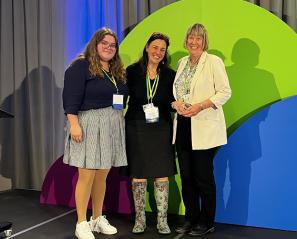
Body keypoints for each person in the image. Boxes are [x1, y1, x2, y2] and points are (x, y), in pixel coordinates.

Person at [62, 28, 128, 239]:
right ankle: (81, 222)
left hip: (111, 123)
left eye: (112, 45)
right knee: (87, 175)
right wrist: (74, 124)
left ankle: (97, 219)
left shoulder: (116, 70)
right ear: (95, 44)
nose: (109, 47)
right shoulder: (80, 66)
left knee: (102, 176)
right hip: (88, 123)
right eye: (104, 43)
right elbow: (70, 98)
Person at [171, 23, 231, 237]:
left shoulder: (213, 61)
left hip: (204, 126)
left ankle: (207, 221)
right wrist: (175, 103)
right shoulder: (181, 62)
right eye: (191, 37)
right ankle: (191, 218)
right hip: (183, 126)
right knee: (186, 178)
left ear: (204, 42)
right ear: (185, 40)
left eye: (199, 38)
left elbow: (225, 92)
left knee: (203, 178)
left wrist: (200, 106)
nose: (194, 42)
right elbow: (177, 93)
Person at [124, 32, 176, 234]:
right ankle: (140, 220)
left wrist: (178, 104)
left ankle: (162, 221)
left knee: (162, 174)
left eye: (162, 50)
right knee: (139, 175)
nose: (158, 52)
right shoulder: (132, 71)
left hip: (161, 129)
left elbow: (172, 102)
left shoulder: (170, 75)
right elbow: (121, 96)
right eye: (155, 47)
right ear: (147, 47)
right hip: (136, 127)